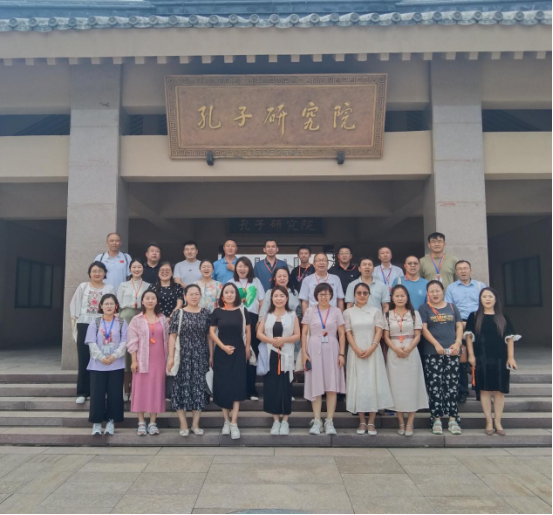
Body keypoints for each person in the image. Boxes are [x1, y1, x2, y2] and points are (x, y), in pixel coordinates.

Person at [466, 288, 520, 436]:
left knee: (499, 391)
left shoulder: (503, 317)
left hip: (500, 358)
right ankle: (488, 421)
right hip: (482, 358)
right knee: (484, 390)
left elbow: (510, 339)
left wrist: (510, 357)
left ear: (495, 299)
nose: (487, 299)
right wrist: (471, 355)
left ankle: (498, 421)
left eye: (490, 296)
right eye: (484, 296)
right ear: (480, 299)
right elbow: (469, 337)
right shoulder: (474, 316)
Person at [344, 283, 394, 437]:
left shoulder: (376, 311)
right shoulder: (348, 312)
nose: (362, 295)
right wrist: (356, 349)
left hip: (373, 351)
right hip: (355, 352)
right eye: (359, 293)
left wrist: (372, 347)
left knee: (373, 383)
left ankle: (371, 421)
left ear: (369, 295)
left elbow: (379, 331)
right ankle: (361, 420)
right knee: (359, 385)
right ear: (354, 295)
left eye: (365, 293)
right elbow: (348, 332)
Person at [419, 281, 464, 436]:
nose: (435, 294)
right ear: (428, 293)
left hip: (452, 352)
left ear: (442, 291)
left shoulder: (452, 307)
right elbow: (424, 329)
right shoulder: (424, 308)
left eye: (437, 291)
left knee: (452, 385)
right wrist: (436, 344)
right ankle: (436, 419)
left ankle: (453, 419)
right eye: (431, 291)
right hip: (433, 352)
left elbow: (459, 326)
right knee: (435, 385)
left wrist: (458, 342)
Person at [167, 284, 213, 437]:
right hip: (182, 356)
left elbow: (209, 336)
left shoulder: (206, 313)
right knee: (180, 388)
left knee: (199, 389)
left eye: (197, 294)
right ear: (185, 296)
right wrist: (171, 357)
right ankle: (183, 424)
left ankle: (195, 424)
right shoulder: (178, 313)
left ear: (200, 296)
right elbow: (172, 336)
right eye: (191, 294)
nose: (194, 297)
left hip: (200, 356)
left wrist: (211, 355)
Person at [383, 285, 429, 438]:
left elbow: (418, 335)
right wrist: (395, 349)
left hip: (411, 352)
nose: (400, 298)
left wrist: (408, 348)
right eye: (397, 296)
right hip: (394, 353)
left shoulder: (414, 314)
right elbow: (386, 336)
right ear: (392, 298)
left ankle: (410, 422)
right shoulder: (387, 315)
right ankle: (400, 422)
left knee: (411, 387)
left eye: (402, 295)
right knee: (397, 388)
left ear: (407, 297)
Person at [302, 284, 346, 436]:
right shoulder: (310, 311)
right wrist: (304, 353)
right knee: (316, 384)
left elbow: (342, 333)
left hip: (332, 349)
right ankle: (317, 420)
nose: (324, 297)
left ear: (331, 295)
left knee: (331, 386)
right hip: (313, 349)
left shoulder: (336, 311)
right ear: (316, 296)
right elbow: (304, 332)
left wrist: (342, 354)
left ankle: (329, 420)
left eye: (327, 294)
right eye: (321, 294)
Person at [210, 283, 252, 441]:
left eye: (232, 292)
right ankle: (226, 421)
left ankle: (234, 422)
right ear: (222, 296)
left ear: (236, 295)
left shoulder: (242, 310)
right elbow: (212, 332)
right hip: (221, 352)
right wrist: (222, 347)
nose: (229, 294)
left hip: (238, 352)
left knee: (236, 385)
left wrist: (247, 349)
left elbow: (248, 331)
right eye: (226, 292)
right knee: (223, 386)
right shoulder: (217, 311)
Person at [257, 286, 301, 436]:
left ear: (286, 298)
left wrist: (284, 340)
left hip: (286, 356)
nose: (279, 298)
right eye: (276, 296)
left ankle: (285, 420)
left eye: (282, 296)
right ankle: (276, 420)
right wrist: (272, 341)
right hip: (271, 355)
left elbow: (297, 335)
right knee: (271, 388)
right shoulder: (267, 315)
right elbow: (259, 333)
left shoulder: (292, 315)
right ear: (272, 298)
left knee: (286, 388)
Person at [69, 262, 115, 405]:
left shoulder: (109, 288)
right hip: (84, 324)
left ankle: (100, 390)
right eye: (94, 271)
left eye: (100, 271)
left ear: (104, 273)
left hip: (103, 324)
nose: (97, 273)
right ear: (89, 273)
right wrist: (75, 323)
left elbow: (113, 307)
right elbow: (74, 305)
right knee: (84, 357)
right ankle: (82, 392)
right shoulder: (83, 287)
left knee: (102, 357)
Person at [127, 290, 169, 436]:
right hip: (142, 359)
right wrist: (134, 360)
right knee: (140, 389)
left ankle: (152, 422)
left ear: (157, 301)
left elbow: (168, 340)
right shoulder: (136, 319)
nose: (150, 300)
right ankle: (140, 422)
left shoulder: (163, 319)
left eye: (153, 298)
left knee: (156, 389)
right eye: (147, 298)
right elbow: (132, 341)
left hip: (160, 360)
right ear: (142, 301)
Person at [445, 260, 487, 404]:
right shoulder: (451, 288)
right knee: (461, 360)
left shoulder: (480, 286)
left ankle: (481, 390)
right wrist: (459, 323)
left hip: (479, 323)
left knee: (480, 357)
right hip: (460, 324)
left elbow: (486, 304)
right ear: (456, 272)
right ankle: (462, 391)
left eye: (465, 268)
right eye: (460, 269)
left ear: (471, 270)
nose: (463, 271)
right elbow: (449, 308)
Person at [85, 294, 127, 436]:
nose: (109, 306)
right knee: (97, 394)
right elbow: (91, 343)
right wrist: (101, 357)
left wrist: (115, 356)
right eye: (106, 304)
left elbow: (124, 342)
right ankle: (96, 423)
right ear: (101, 306)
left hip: (116, 365)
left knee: (115, 394)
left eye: (112, 304)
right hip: (98, 365)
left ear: (116, 306)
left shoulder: (121, 322)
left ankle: (111, 422)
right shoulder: (95, 323)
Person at [230, 257, 265, 401]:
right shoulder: (231, 283)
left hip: (253, 318)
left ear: (249, 268)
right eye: (239, 266)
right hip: (235, 318)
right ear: (235, 268)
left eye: (245, 266)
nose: (242, 269)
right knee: (237, 354)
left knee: (251, 354)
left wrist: (260, 321)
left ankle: (251, 390)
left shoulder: (256, 281)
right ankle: (238, 389)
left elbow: (262, 301)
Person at [117, 259, 151, 401]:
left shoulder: (148, 285)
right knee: (127, 350)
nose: (136, 269)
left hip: (142, 315)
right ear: (130, 269)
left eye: (139, 267)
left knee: (141, 350)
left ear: (143, 269)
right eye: (134, 267)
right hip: (126, 315)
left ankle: (138, 389)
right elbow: (118, 303)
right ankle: (126, 389)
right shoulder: (123, 285)